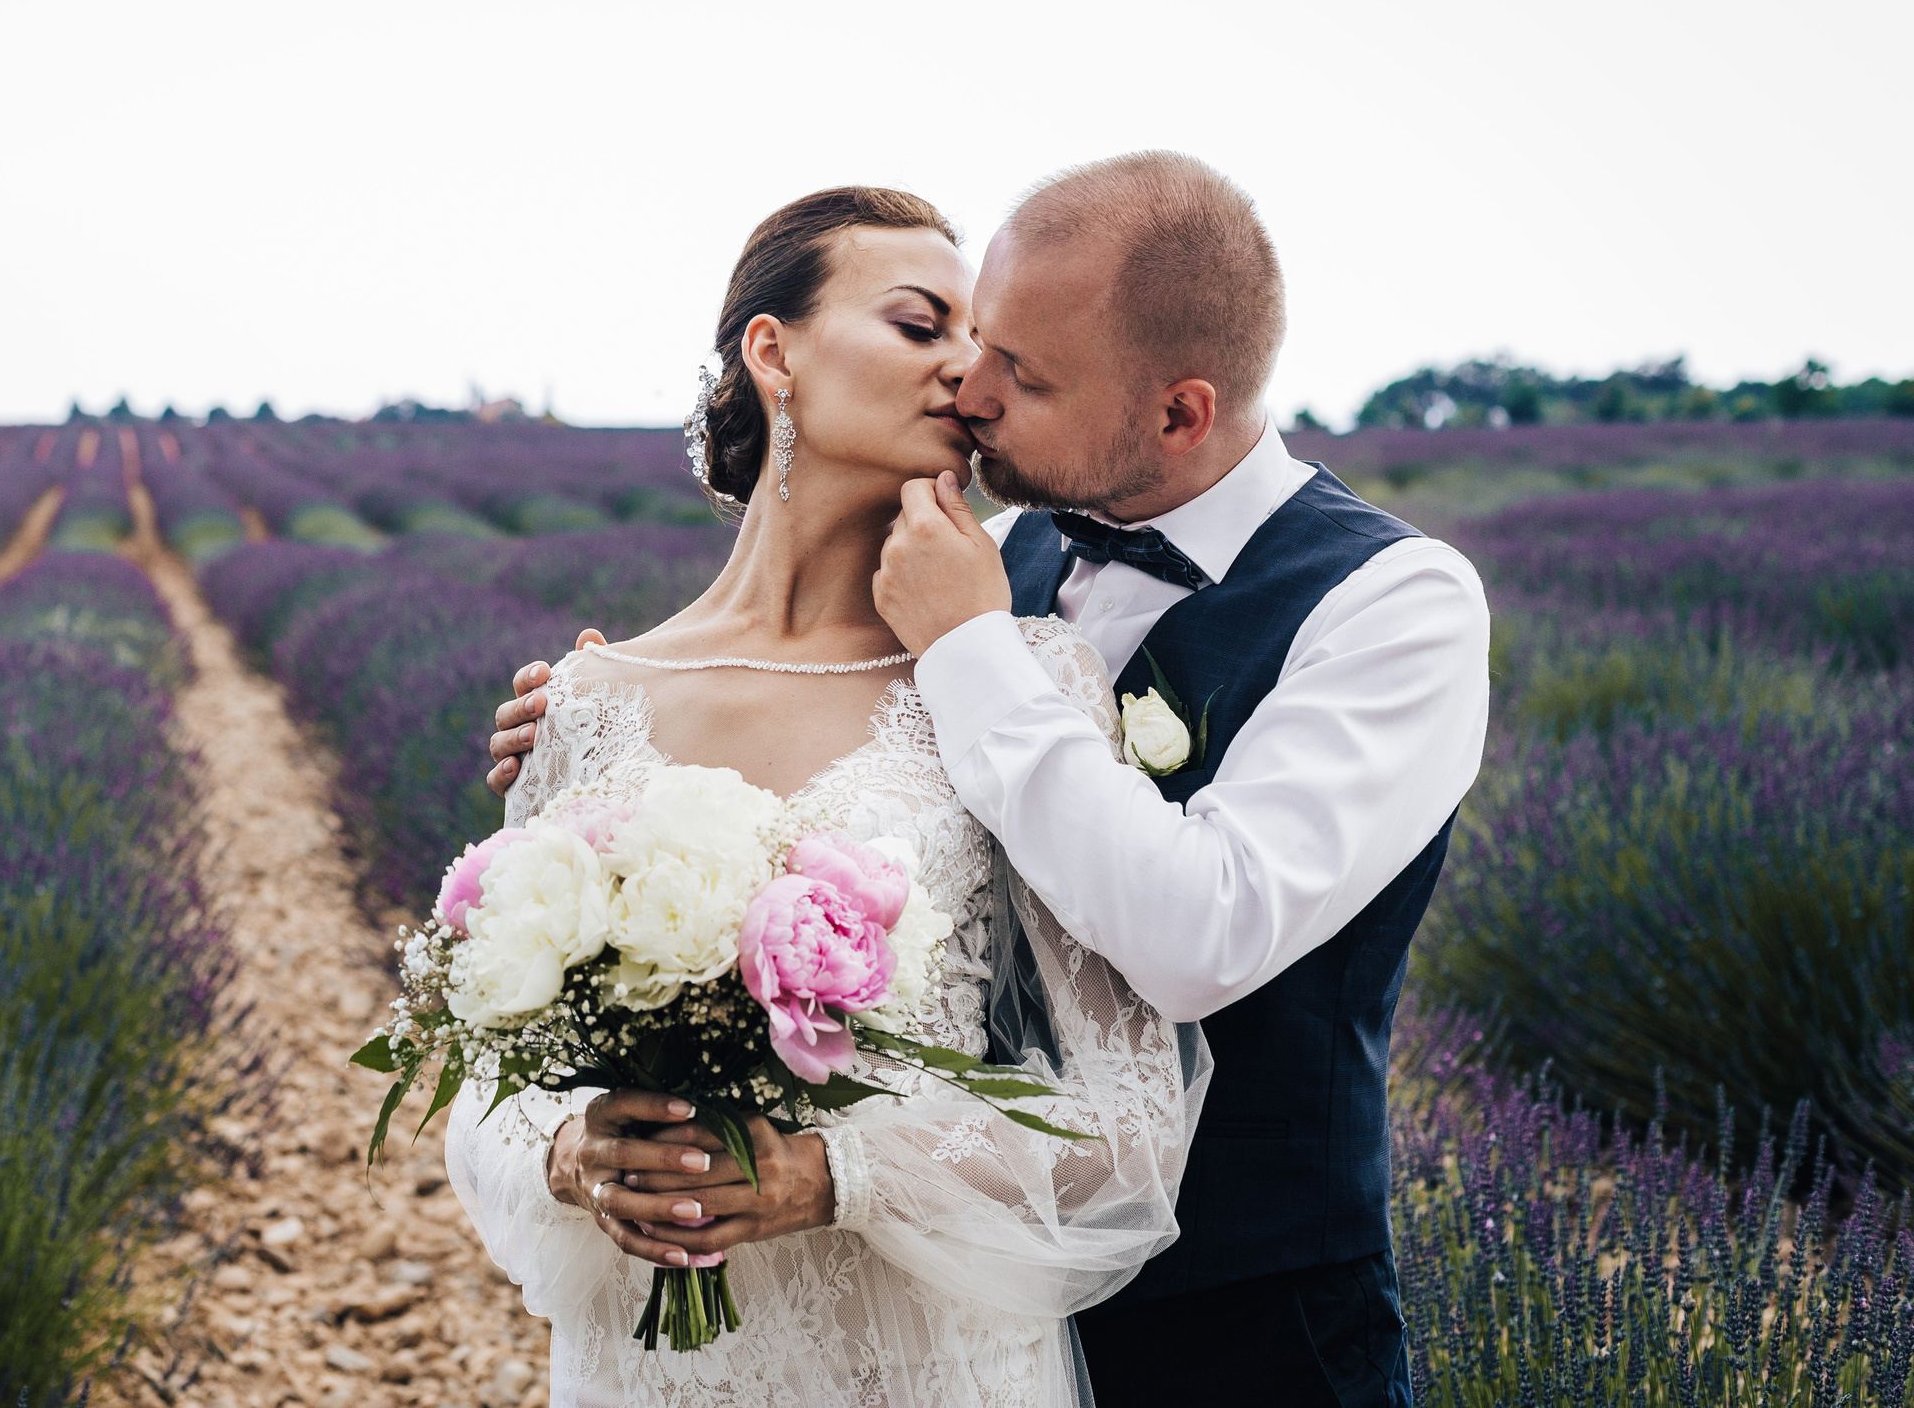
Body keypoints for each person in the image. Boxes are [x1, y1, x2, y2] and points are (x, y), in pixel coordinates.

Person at [491, 152, 1491, 1408]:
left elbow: (1197, 936)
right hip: (930, 1303)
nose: (972, 381)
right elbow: (787, 702)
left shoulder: (1392, 606)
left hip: (1245, 1322)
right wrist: (600, 743)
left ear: (1178, 414)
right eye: (959, 337)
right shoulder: (994, 554)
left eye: (1019, 370)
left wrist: (969, 647)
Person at [447, 185, 1206, 1408]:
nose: (967, 372)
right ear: (772, 350)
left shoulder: (1020, 687)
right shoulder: (583, 700)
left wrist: (831, 1171)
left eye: (984, 346)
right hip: (657, 1370)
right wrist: (570, 1152)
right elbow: (485, 1076)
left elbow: (1125, 1135)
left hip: (924, 1359)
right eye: (921, 327)